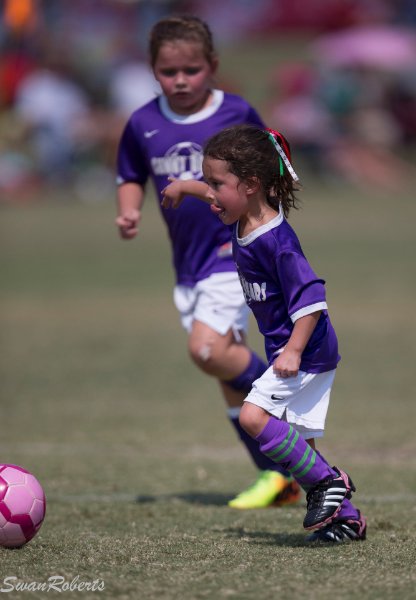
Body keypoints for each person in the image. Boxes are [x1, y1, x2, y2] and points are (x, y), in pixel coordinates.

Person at [115, 15, 300, 509]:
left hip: (234, 253)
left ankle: (287, 409)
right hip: (189, 266)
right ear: (153, 70)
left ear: (213, 66)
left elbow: (270, 168)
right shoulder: (143, 123)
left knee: (207, 351)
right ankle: (279, 476)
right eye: (168, 71)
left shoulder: (236, 112)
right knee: (225, 377)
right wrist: (129, 209)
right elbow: (130, 172)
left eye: (191, 70)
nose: (180, 80)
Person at [162, 123, 367, 543]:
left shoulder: (278, 241)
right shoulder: (243, 216)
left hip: (305, 350)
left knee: (255, 417)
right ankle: (348, 520)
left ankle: (331, 484)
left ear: (251, 185)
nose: (211, 192)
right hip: (292, 350)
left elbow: (312, 300)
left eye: (216, 183)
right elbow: (215, 196)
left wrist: (291, 351)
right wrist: (186, 186)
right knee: (299, 448)